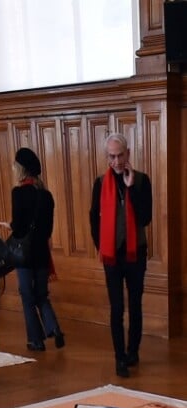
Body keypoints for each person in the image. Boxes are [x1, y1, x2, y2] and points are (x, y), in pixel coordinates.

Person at [90, 133, 152, 378]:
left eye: (120, 155)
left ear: (128, 154)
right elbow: (94, 217)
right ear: (107, 157)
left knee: (135, 305)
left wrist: (130, 188)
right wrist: (100, 245)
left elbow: (146, 217)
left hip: (136, 253)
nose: (116, 161)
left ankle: (133, 351)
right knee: (117, 307)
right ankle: (119, 358)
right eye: (112, 156)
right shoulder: (99, 183)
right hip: (112, 256)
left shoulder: (142, 181)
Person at [3, 147, 65, 352]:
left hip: (25, 253)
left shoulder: (18, 193)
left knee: (27, 296)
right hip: (41, 252)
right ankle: (54, 327)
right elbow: (48, 229)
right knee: (41, 294)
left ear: (21, 168)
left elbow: (19, 228)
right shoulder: (46, 195)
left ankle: (35, 340)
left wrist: (10, 225)